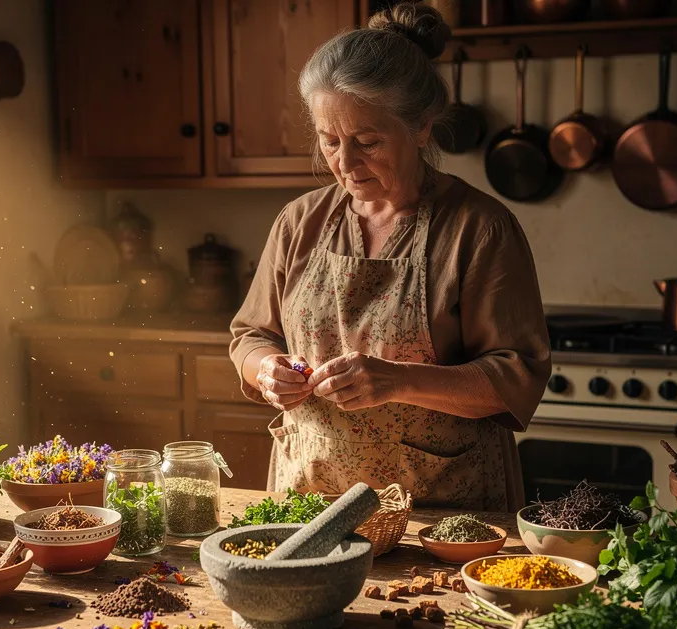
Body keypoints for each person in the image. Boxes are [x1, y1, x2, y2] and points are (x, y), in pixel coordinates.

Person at [228, 2, 550, 511]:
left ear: (421, 128)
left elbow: (516, 378)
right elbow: (250, 335)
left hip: (442, 505)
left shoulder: (479, 228)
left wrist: (397, 380)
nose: (345, 163)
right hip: (310, 496)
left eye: (367, 141)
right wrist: (266, 369)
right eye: (329, 141)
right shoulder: (300, 222)